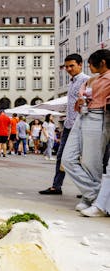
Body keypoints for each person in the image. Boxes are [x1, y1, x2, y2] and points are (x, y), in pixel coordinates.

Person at [62, 49, 110, 215]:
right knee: (67, 158)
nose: (89, 66)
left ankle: (94, 200)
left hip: (98, 117)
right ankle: (95, 195)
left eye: (90, 63)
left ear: (102, 62)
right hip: (81, 116)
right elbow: (84, 91)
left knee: (92, 162)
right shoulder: (93, 79)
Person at [39, 54, 89, 195]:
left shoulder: (86, 80)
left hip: (80, 125)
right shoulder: (72, 82)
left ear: (80, 64)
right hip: (68, 125)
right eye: (66, 66)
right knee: (61, 156)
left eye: (71, 66)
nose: (68, 69)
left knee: (83, 158)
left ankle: (87, 188)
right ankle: (56, 186)